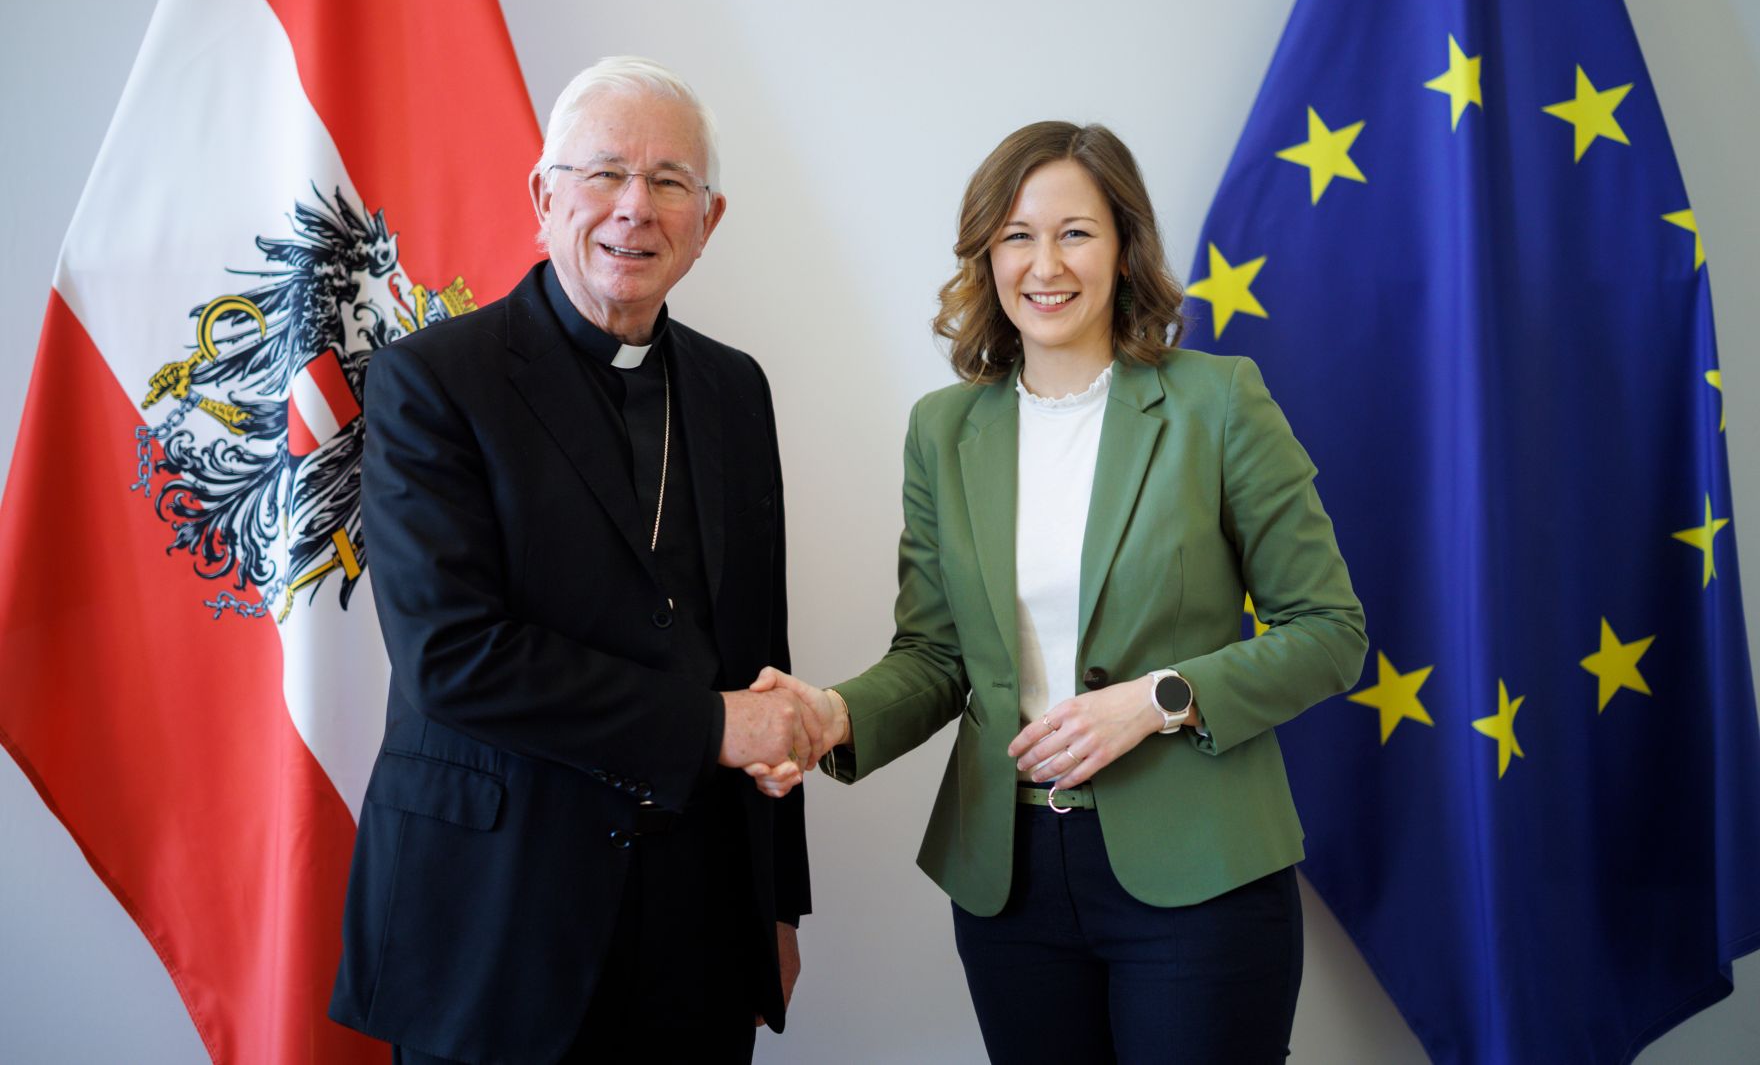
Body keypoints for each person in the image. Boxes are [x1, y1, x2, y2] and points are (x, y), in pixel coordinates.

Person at [760, 121, 1367, 1062]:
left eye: (1075, 232)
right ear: (987, 257)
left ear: (1125, 248)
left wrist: (1159, 700)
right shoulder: (943, 429)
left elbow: (1330, 631)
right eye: (1016, 235)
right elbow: (934, 654)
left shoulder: (1219, 402)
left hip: (1201, 877)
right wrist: (833, 714)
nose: (1045, 263)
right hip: (1011, 882)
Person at [329, 56, 816, 1064]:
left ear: (708, 220)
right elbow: (453, 657)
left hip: (696, 921)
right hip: (493, 917)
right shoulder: (433, 382)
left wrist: (779, 905)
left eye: (669, 182)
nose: (634, 208)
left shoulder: (733, 390)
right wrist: (708, 725)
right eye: (603, 174)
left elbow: (759, 653)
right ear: (544, 198)